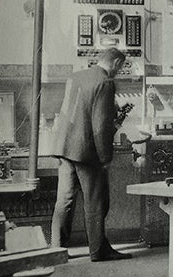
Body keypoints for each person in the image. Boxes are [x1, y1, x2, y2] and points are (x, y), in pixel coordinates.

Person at [50, 47, 130, 262]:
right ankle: (98, 251)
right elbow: (100, 127)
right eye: (120, 68)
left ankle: (55, 251)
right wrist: (105, 157)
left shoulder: (76, 76)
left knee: (64, 200)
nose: (119, 72)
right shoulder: (105, 82)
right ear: (115, 63)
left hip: (65, 147)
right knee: (96, 202)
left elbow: (68, 111)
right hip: (86, 152)